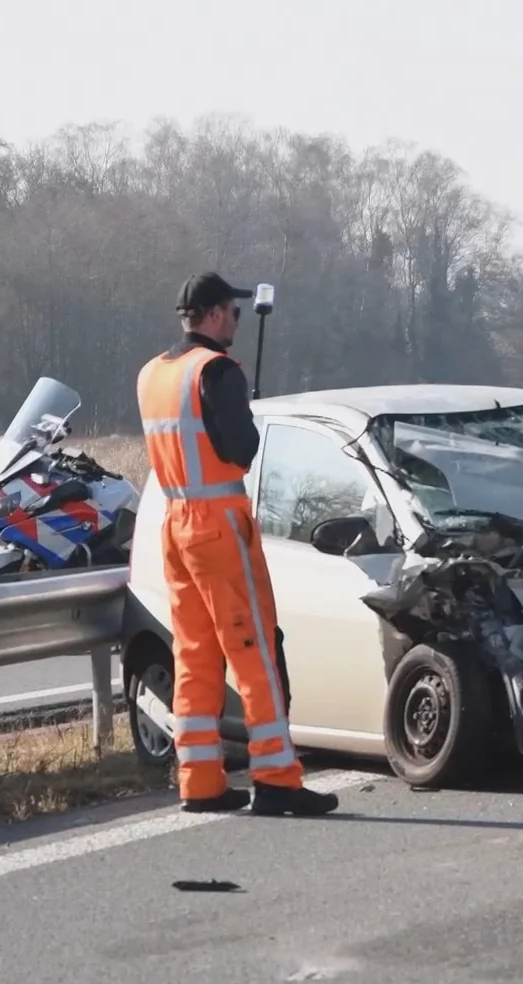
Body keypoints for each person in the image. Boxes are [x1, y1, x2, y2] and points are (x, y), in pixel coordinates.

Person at [138, 272, 336, 816]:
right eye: (234, 312)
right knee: (255, 650)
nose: (237, 323)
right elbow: (242, 450)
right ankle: (277, 778)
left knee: (195, 652)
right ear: (215, 314)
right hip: (219, 523)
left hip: (174, 522)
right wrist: (244, 407)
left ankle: (199, 780)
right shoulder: (217, 372)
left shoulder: (153, 373)